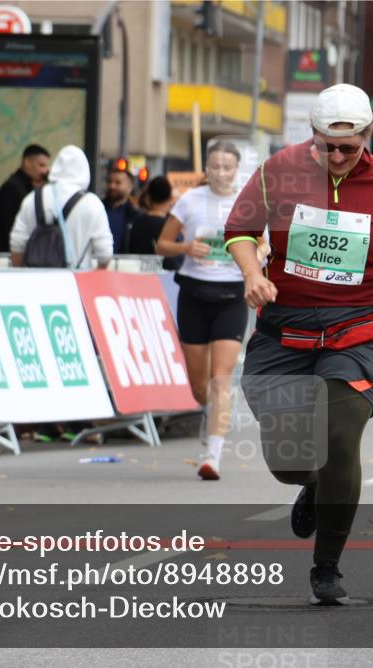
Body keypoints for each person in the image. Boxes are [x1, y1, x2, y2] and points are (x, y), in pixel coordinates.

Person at [223, 83, 373, 604]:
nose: (338, 157)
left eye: (350, 147)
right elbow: (238, 229)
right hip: (285, 329)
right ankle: (314, 484)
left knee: (340, 439)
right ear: (313, 136)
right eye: (328, 146)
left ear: (369, 135)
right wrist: (253, 273)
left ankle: (327, 565)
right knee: (290, 460)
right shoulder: (279, 170)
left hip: (359, 329)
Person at [157, 142, 258, 481]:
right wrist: (187, 247)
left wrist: (253, 256)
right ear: (207, 168)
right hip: (194, 293)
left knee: (221, 378)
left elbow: (266, 245)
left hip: (231, 295)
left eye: (227, 167)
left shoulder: (248, 204)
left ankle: (212, 456)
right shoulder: (189, 200)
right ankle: (206, 410)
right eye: (214, 167)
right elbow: (162, 244)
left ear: (236, 169)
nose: (220, 173)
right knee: (198, 384)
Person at [9, 145, 113, 269]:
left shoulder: (31, 199)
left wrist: (23, 275)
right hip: (74, 282)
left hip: (35, 282)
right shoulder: (92, 204)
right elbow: (105, 253)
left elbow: (17, 244)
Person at [0, 145, 50, 253]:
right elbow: (9, 228)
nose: (45, 171)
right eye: (41, 165)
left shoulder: (29, 187)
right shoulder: (12, 188)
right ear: (27, 162)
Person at [103, 167, 141, 254]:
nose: (112, 186)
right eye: (110, 182)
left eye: (118, 183)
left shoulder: (135, 215)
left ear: (129, 187)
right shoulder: (98, 209)